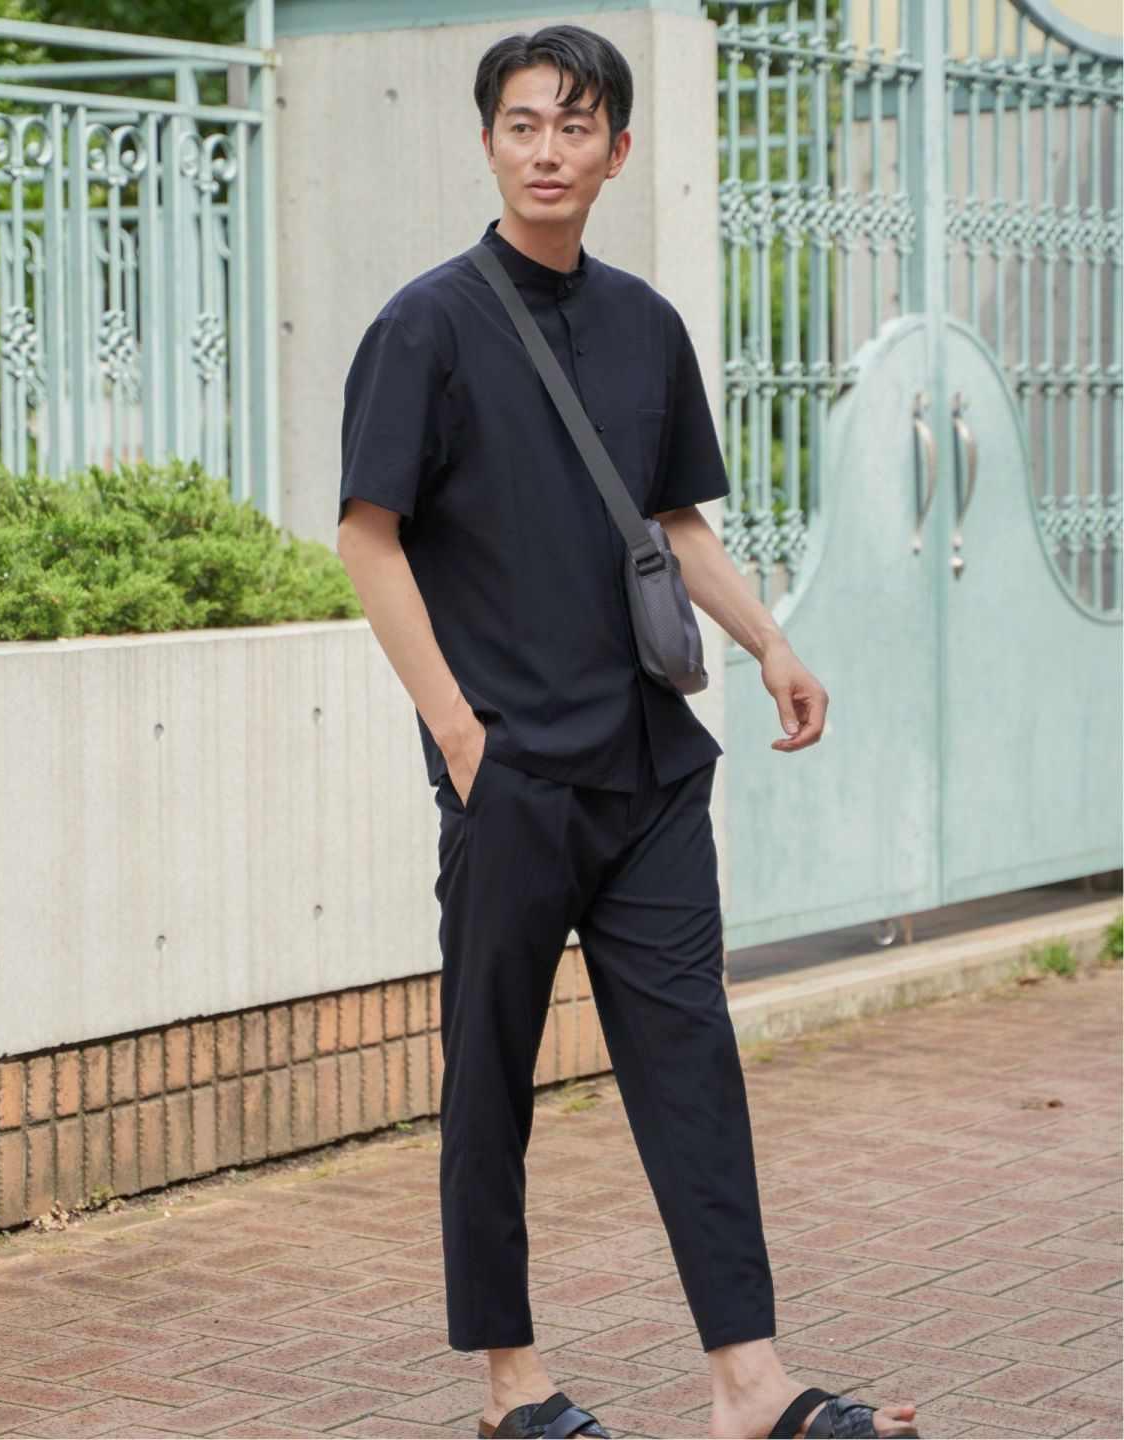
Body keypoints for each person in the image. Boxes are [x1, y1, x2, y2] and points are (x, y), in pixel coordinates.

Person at [335, 22, 920, 1440]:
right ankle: (511, 1383)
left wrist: (769, 640)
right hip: (512, 773)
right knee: (492, 1078)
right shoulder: (425, 326)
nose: (548, 150)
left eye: (576, 127)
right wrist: (459, 737)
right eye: (524, 124)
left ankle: (748, 1383)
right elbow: (367, 536)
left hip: (651, 770)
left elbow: (673, 520)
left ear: (618, 151)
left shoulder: (647, 325)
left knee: (692, 1063)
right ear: (488, 141)